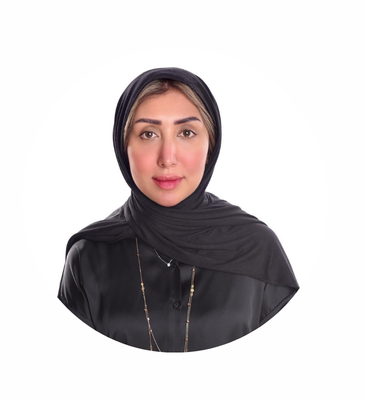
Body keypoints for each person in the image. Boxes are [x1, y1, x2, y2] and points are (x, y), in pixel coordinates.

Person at [57, 67, 299, 352]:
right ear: (124, 147)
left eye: (186, 132)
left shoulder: (258, 248)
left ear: (211, 144)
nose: (167, 158)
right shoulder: (88, 256)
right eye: (148, 134)